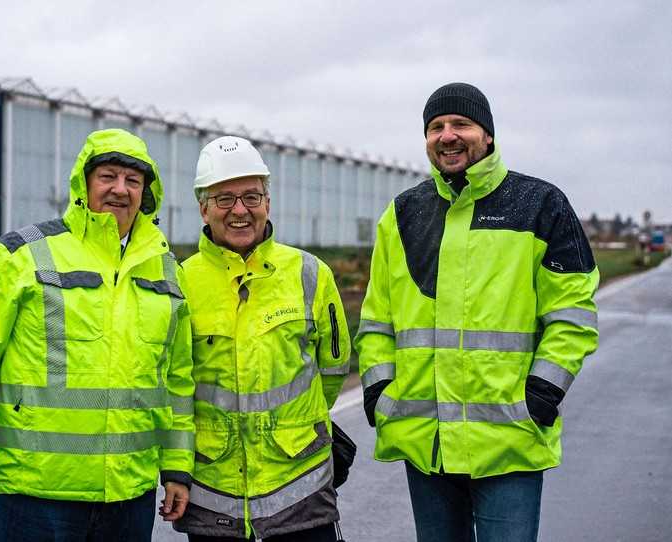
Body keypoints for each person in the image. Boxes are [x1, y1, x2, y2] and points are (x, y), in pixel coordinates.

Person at [355, 83, 599, 541]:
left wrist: (541, 395)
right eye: (435, 127)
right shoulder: (402, 213)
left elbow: (572, 314)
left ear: (487, 135)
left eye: (460, 124)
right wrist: (380, 393)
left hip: (509, 437)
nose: (447, 135)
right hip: (425, 440)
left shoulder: (540, 204)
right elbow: (376, 319)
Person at [0, 128, 195, 541]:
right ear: (83, 183)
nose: (120, 189)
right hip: (36, 493)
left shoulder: (167, 271)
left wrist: (177, 468)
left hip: (128, 495)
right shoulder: (20, 255)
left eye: (133, 180)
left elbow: (177, 381)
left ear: (147, 192)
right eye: (108, 176)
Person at [173, 136, 352, 541]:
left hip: (300, 486)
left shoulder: (310, 273)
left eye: (252, 197)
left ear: (268, 202)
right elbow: (174, 383)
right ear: (203, 209)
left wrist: (292, 429)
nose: (240, 210)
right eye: (224, 199)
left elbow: (334, 369)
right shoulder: (181, 282)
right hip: (213, 491)